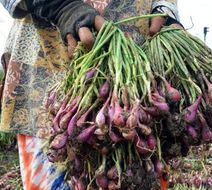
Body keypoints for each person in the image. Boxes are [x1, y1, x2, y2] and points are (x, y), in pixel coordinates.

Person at [0, 0, 182, 189]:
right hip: (50, 60)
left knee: (140, 167)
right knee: (61, 149)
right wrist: (59, 6)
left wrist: (165, 9)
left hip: (137, 77)